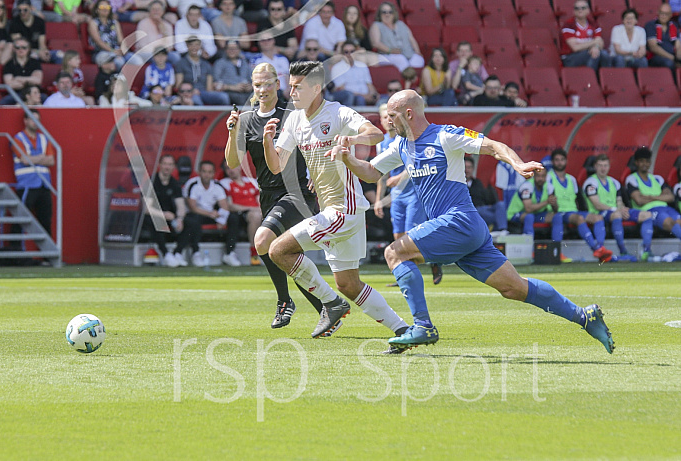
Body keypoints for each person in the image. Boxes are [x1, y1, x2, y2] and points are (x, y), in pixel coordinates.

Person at [332, 89, 614, 354]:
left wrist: (517, 164)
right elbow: (370, 172)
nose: (387, 122)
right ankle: (584, 316)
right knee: (514, 288)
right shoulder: (402, 146)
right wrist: (347, 159)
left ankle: (422, 326)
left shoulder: (445, 135)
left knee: (394, 252)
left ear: (408, 114)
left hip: (459, 220)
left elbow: (493, 146)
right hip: (466, 230)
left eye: (391, 115)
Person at [262, 61, 410, 341]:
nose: (291, 92)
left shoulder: (339, 112)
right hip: (333, 210)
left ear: (316, 88)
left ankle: (330, 304)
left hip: (344, 209)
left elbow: (376, 133)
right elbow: (276, 166)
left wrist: (349, 140)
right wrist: (268, 142)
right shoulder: (294, 119)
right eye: (290, 86)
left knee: (278, 250)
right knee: (349, 284)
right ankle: (404, 329)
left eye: (297, 87)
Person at [225, 62, 327, 330]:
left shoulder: (292, 114)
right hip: (268, 195)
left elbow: (313, 146)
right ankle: (326, 307)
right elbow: (233, 162)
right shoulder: (246, 120)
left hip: (296, 193)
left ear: (278, 84)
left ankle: (284, 302)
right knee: (286, 256)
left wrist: (316, 176)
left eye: (268, 83)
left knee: (264, 242)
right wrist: (232, 131)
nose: (262, 89)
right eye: (257, 85)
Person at [374, 103, 442, 287]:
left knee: (411, 237)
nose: (388, 120)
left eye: (391, 116)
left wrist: (399, 178)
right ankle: (406, 274)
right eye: (384, 117)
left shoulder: (408, 139)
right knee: (398, 237)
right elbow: (381, 175)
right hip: (397, 197)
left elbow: (416, 163)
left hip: (414, 194)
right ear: (380, 120)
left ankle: (434, 259)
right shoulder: (382, 144)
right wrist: (379, 200)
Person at [583, 154, 652, 262]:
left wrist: (622, 209)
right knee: (617, 214)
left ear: (609, 167)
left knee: (647, 215)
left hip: (615, 211)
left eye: (605, 165)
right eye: (600, 165)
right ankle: (623, 250)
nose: (603, 168)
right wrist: (616, 209)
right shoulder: (591, 182)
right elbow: (597, 204)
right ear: (595, 166)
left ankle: (647, 251)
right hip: (599, 213)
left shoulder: (614, 182)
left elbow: (619, 201)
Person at [548, 148, 613, 262]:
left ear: (566, 161)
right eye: (556, 160)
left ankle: (601, 248)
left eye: (562, 160)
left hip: (573, 211)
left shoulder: (571, 179)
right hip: (559, 212)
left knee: (598, 217)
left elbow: (579, 200)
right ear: (552, 162)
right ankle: (595, 248)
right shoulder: (549, 178)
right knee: (579, 218)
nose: (559, 162)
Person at [625, 147, 681, 260]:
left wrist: (650, 196)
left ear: (650, 162)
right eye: (641, 161)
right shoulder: (632, 179)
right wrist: (660, 197)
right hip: (649, 211)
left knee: (679, 221)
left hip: (665, 208)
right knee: (669, 222)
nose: (645, 164)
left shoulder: (657, 179)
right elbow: (639, 201)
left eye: (647, 161)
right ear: (636, 163)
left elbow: (670, 197)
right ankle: (646, 250)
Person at [506, 167, 572, 262]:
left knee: (557, 217)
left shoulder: (549, 186)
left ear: (546, 177)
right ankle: (530, 252)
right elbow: (528, 209)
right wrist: (546, 202)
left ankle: (557, 251)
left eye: (543, 176)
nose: (540, 179)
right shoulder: (527, 187)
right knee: (529, 217)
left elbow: (555, 210)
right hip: (516, 214)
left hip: (537, 214)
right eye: (538, 176)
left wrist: (554, 203)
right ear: (534, 176)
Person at [11, 109, 54, 239]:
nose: (35, 122)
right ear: (25, 121)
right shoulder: (17, 138)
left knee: (46, 220)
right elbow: (24, 159)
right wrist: (42, 157)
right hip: (27, 185)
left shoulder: (44, 138)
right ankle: (15, 250)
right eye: (32, 119)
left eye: (37, 119)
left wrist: (33, 159)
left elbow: (51, 161)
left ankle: (48, 256)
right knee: (20, 219)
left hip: (44, 185)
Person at [180, 160, 230, 267]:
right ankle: (196, 253)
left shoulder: (217, 185)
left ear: (213, 173)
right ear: (199, 172)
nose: (206, 175)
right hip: (194, 214)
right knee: (194, 220)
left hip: (210, 214)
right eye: (204, 171)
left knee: (233, 218)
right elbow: (192, 207)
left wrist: (222, 220)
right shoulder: (192, 184)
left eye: (209, 172)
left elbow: (224, 206)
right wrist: (210, 213)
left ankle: (230, 253)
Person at [143, 154, 189, 267]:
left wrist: (180, 219)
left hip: (170, 218)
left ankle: (178, 253)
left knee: (191, 222)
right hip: (155, 216)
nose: (167, 167)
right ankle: (166, 254)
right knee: (154, 220)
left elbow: (181, 206)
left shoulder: (175, 183)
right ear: (159, 165)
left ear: (174, 167)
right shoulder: (151, 182)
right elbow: (146, 209)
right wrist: (163, 214)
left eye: (170, 164)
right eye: (165, 164)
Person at [219, 164, 262, 267]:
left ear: (240, 167)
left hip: (257, 212)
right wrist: (251, 209)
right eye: (227, 168)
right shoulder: (225, 183)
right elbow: (230, 205)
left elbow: (260, 201)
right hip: (240, 214)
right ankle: (254, 252)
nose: (230, 171)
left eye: (232, 167)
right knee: (255, 216)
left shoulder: (252, 182)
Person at [368, 1, 424, 72]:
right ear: (380, 14)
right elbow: (375, 43)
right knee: (400, 59)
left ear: (394, 13)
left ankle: (413, 81)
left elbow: (411, 39)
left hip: (408, 53)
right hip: (388, 55)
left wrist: (417, 51)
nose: (387, 14)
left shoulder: (401, 24)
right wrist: (391, 50)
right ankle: (406, 80)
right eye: (384, 12)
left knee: (418, 59)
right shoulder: (376, 25)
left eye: (390, 12)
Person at [174, 35, 230, 105]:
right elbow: (179, 84)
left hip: (203, 92)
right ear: (187, 46)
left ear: (200, 46)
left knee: (224, 97)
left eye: (197, 45)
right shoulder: (181, 63)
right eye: (191, 45)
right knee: (196, 100)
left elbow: (209, 88)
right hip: (189, 92)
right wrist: (190, 91)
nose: (194, 47)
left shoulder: (206, 64)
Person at [88, 0, 143, 70]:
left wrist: (123, 49)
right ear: (96, 10)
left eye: (107, 7)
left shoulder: (115, 23)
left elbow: (120, 40)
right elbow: (98, 41)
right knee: (119, 61)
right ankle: (117, 79)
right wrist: (112, 51)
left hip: (116, 51)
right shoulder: (93, 23)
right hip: (101, 52)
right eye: (102, 7)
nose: (105, 9)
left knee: (138, 61)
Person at [560, 0, 611, 70]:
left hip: (588, 54)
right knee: (593, 54)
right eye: (577, 8)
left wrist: (596, 47)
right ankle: (590, 78)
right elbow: (575, 48)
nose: (580, 10)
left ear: (588, 10)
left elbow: (600, 44)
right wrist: (594, 43)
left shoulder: (594, 24)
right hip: (570, 57)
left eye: (583, 8)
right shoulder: (569, 25)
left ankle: (605, 77)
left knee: (604, 54)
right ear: (573, 11)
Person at [465, 156, 508, 235]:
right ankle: (499, 228)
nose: (467, 170)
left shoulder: (477, 182)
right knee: (497, 216)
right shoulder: (458, 184)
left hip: (484, 209)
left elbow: (486, 198)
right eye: (465, 167)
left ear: (473, 169)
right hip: (472, 211)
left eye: (469, 167)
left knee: (500, 205)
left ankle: (503, 230)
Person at [329, 40, 378, 107]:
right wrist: (364, 96)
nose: (350, 54)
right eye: (346, 52)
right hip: (353, 98)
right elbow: (342, 90)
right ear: (343, 54)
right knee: (359, 99)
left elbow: (369, 84)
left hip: (366, 96)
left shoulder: (362, 65)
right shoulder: (337, 68)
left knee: (383, 99)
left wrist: (373, 95)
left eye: (352, 51)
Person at [0, 37, 42, 105]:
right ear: (14, 49)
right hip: (16, 94)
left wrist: (18, 78)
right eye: (17, 47)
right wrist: (29, 82)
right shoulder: (9, 64)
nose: (21, 49)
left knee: (45, 98)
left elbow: (38, 81)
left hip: (33, 93)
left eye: (24, 47)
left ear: (28, 48)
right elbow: (9, 84)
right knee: (3, 102)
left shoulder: (35, 63)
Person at [211, 40, 252, 106]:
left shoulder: (245, 62)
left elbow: (252, 79)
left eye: (235, 48)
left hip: (246, 92)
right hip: (229, 92)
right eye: (229, 48)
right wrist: (233, 87)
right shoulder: (220, 63)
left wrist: (250, 86)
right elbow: (215, 84)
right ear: (225, 50)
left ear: (239, 50)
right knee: (241, 99)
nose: (232, 51)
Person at [644, 2, 681, 75]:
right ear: (658, 13)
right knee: (669, 63)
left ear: (670, 15)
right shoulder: (651, 25)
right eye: (661, 13)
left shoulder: (674, 26)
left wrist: (679, 58)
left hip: (673, 56)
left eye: (666, 14)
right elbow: (653, 47)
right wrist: (673, 58)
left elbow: (678, 45)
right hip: (656, 57)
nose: (663, 16)